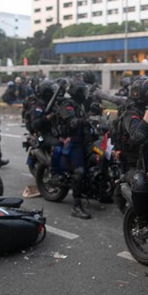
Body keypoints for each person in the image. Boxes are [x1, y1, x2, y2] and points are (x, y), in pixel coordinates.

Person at [116, 77, 148, 238]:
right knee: (140, 181)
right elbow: (138, 135)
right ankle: (142, 223)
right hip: (133, 165)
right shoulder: (131, 113)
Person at [50, 81, 92, 219]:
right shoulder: (67, 105)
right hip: (73, 141)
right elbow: (72, 122)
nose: (85, 94)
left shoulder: (80, 105)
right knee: (79, 172)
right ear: (78, 93)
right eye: (83, 92)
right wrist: (85, 120)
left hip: (84, 140)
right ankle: (76, 205)